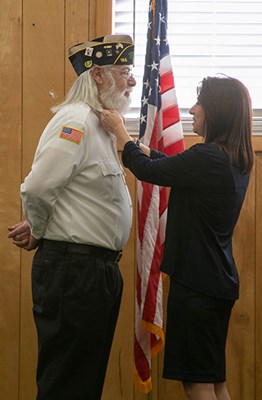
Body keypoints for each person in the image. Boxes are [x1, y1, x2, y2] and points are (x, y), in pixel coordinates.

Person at [100, 75, 254, 400]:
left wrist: (120, 132)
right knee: (213, 380)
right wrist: (140, 147)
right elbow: (170, 165)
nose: (192, 110)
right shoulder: (232, 160)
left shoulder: (208, 157)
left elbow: (149, 172)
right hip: (217, 283)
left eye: (200, 104)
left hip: (197, 287)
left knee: (196, 383)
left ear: (216, 111)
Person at [8, 34, 136, 400]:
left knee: (84, 382)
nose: (131, 81)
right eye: (124, 71)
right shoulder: (76, 121)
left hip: (94, 274)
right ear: (97, 75)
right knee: (67, 384)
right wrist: (38, 227)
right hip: (74, 273)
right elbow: (37, 188)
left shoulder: (101, 125)